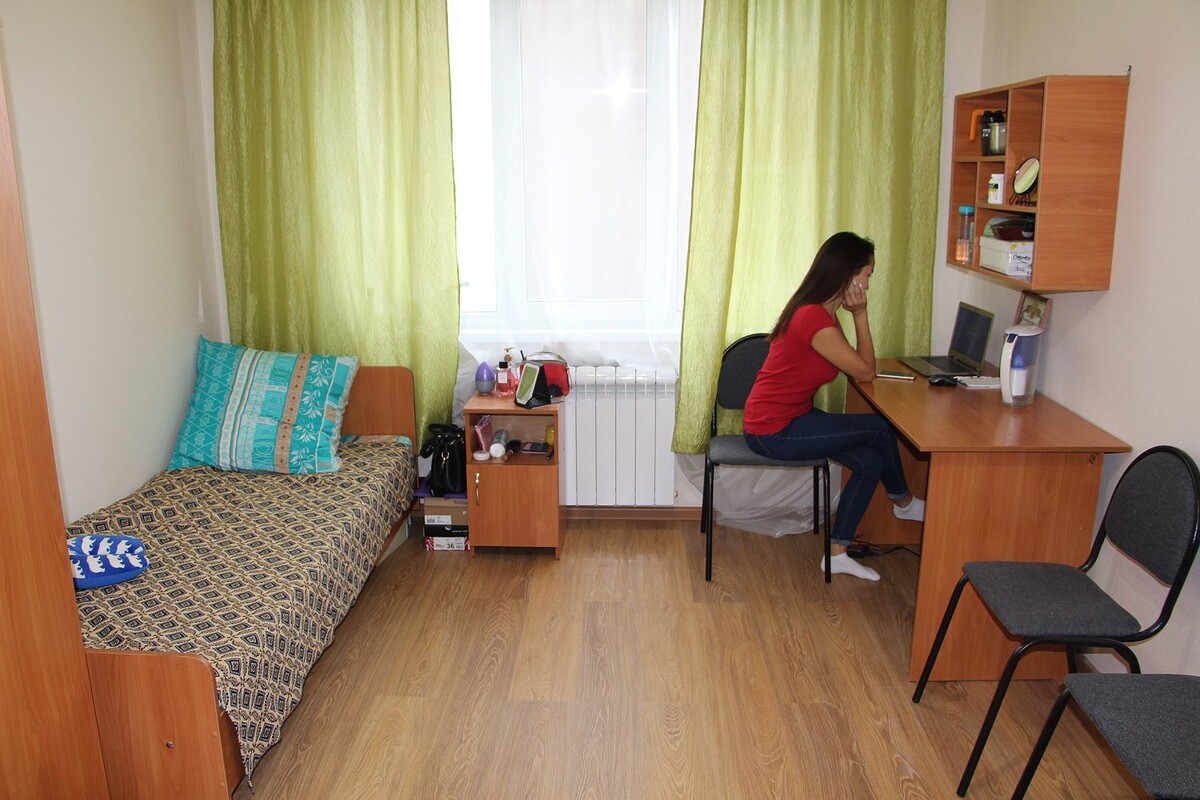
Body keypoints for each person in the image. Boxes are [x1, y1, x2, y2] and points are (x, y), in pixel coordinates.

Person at [743, 231, 924, 581]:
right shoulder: (812, 317)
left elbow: (861, 367)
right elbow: (866, 371)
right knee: (880, 428)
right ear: (849, 274)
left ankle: (838, 553)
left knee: (871, 461)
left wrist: (854, 315)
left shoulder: (822, 313)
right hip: (773, 429)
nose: (867, 285)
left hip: (792, 417)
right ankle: (904, 502)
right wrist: (861, 314)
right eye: (867, 274)